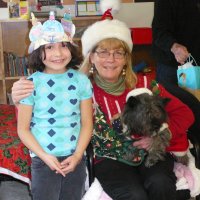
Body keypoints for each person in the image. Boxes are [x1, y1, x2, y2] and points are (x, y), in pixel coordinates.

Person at [12, 2, 194, 200]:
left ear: (126, 58)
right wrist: (18, 98)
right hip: (109, 160)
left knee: (160, 183)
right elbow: (42, 116)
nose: (111, 59)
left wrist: (159, 136)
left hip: (151, 153)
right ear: (91, 57)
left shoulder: (145, 84)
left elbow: (186, 114)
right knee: (134, 195)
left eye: (118, 52)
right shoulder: (80, 87)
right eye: (103, 52)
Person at [16, 12, 93, 200]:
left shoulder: (81, 81)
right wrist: (43, 156)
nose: (57, 54)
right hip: (43, 160)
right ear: (37, 51)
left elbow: (87, 123)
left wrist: (77, 155)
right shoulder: (30, 84)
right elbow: (23, 129)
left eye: (63, 46)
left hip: (74, 158)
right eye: (49, 47)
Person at [152, 0, 200, 142]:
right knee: (172, 112)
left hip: (195, 62)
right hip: (172, 65)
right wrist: (174, 46)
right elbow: (159, 31)